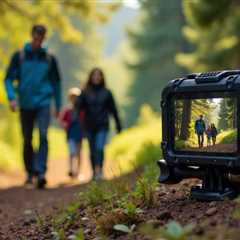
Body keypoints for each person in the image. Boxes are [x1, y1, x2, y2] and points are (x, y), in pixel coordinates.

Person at [4, 24, 62, 189]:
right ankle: (30, 173)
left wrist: (57, 105)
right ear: (32, 36)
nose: (39, 40)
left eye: (42, 38)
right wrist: (12, 98)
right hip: (26, 103)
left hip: (44, 102)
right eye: (36, 37)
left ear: (44, 38)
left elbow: (56, 83)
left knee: (43, 135)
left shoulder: (50, 58)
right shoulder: (20, 56)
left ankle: (41, 172)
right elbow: (8, 79)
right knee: (27, 138)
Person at [74, 68, 122, 181]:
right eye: (94, 75)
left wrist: (118, 124)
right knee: (92, 149)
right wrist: (75, 118)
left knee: (99, 147)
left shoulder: (107, 92)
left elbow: (113, 110)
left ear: (102, 77)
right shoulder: (85, 92)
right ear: (90, 77)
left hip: (102, 125)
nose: (96, 77)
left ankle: (99, 171)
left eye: (98, 75)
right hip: (89, 125)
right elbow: (78, 107)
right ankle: (93, 172)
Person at [59, 88, 84, 179]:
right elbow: (61, 121)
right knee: (71, 152)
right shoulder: (67, 110)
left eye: (76, 97)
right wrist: (64, 124)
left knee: (78, 153)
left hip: (80, 134)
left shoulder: (82, 110)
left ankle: (78, 171)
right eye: (73, 97)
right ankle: (71, 170)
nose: (74, 99)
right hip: (70, 134)